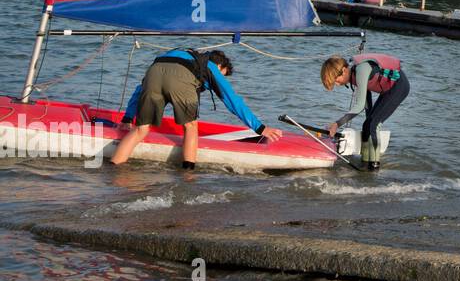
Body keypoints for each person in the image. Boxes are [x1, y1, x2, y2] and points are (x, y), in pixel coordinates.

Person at [111, 48, 283, 168]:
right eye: (222, 75)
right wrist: (260, 128)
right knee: (191, 127)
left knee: (141, 129)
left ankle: (114, 167)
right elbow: (232, 100)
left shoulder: (180, 55)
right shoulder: (210, 66)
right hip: (181, 80)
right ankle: (188, 174)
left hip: (154, 71)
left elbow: (139, 90)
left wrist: (127, 118)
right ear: (220, 67)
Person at [320, 52, 410, 169]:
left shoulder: (361, 70)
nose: (337, 84)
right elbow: (367, 103)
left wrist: (337, 124)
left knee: (373, 125)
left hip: (399, 86)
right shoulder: (354, 76)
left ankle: (374, 166)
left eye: (336, 80)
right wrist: (368, 122)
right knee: (367, 124)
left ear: (344, 70)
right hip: (388, 90)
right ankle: (365, 162)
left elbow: (360, 105)